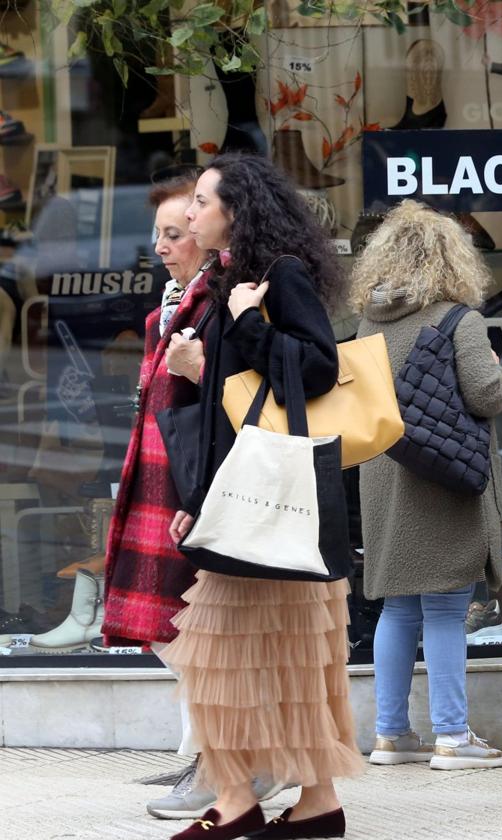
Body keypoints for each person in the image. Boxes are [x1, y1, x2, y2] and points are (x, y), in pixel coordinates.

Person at [160, 154, 362, 840]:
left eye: (201, 202)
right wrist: (199, 491)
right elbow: (234, 409)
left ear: (236, 212)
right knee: (279, 659)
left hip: (283, 506)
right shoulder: (230, 280)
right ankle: (312, 804)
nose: (190, 214)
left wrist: (245, 324)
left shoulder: (279, 278)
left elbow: (316, 367)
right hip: (247, 502)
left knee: (237, 654)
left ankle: (253, 802)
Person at [100, 172, 281, 820]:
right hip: (170, 478)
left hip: (201, 481)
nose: (164, 245)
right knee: (177, 631)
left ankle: (232, 761)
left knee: (200, 632)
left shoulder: (230, 299)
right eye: (161, 234)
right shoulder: (171, 308)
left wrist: (199, 370)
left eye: (177, 230)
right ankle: (213, 753)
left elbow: (264, 388)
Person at [352, 200, 502, 771]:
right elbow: (488, 396)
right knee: (446, 607)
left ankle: (390, 734)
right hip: (441, 481)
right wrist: (498, 367)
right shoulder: (457, 320)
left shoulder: (368, 323)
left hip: (384, 478)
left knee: (397, 609)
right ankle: (452, 735)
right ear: (451, 260)